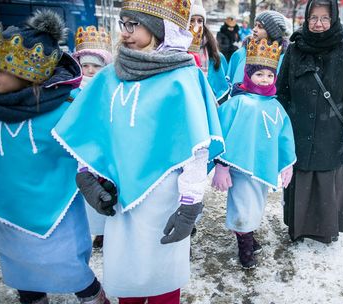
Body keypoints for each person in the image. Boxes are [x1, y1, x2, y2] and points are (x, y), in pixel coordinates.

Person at [52, 0, 225, 302]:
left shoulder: (183, 77)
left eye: (134, 24)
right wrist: (87, 177)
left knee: (163, 276)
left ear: (157, 29)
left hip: (166, 198)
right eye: (123, 24)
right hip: (120, 199)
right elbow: (91, 132)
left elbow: (196, 148)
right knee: (125, 275)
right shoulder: (109, 76)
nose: (125, 33)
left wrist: (190, 202)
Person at [0, 10, 108, 304]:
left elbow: (93, 146)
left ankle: (92, 295)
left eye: (0, 69)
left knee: (68, 264)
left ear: (26, 73)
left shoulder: (64, 111)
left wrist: (97, 179)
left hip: (57, 213)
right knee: (19, 266)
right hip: (9, 215)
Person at [276, 0, 343, 243]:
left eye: (325, 18)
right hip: (298, 133)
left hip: (332, 134)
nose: (318, 23)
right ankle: (298, 227)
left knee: (326, 182)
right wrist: (280, 132)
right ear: (306, 19)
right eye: (313, 18)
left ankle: (325, 230)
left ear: (334, 19)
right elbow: (282, 92)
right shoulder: (295, 50)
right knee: (301, 180)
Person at [211, 38, 296, 269]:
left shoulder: (276, 107)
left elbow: (284, 136)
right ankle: (244, 246)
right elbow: (221, 131)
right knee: (243, 206)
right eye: (259, 75)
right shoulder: (237, 104)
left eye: (270, 75)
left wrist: (286, 163)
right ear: (248, 75)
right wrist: (221, 164)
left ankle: (248, 235)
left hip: (262, 168)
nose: (265, 79)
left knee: (255, 205)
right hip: (239, 168)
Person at [71, 25, 113, 249]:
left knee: (104, 188)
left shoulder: (110, 88)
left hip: (103, 148)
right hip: (80, 148)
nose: (90, 70)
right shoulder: (72, 91)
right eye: (85, 65)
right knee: (85, 193)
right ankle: (95, 230)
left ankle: (106, 230)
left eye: (95, 66)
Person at [226, 10, 287, 85]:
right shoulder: (240, 54)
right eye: (255, 25)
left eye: (260, 27)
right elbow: (229, 82)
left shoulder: (285, 58)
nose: (254, 29)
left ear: (273, 32)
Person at [188, 0, 230, 103]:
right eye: (191, 20)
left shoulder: (216, 57)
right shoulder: (175, 52)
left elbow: (221, 90)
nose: (196, 25)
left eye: (199, 21)